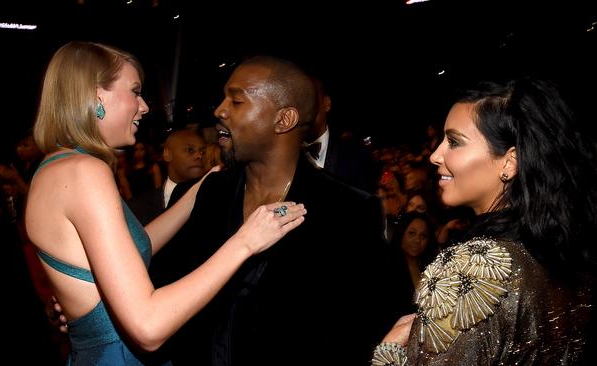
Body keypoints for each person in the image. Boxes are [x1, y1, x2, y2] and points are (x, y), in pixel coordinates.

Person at [25, 41, 306, 365]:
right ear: (97, 97)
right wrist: (245, 241)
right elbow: (148, 325)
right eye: (135, 91)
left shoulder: (55, 167)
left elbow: (134, 245)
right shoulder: (85, 172)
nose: (144, 107)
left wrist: (198, 190)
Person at [148, 55, 413, 366]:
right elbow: (165, 284)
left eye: (236, 101)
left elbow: (368, 330)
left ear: (283, 119)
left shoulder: (349, 209)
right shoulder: (214, 191)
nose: (220, 110)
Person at [373, 78, 597, 365]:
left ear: (509, 162)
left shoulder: (471, 269)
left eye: (454, 142)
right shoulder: (567, 254)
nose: (434, 155)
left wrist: (388, 352)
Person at [302, 75, 378, 193]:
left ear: (327, 103)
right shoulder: (285, 157)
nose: (304, 108)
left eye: (311, 99)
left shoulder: (356, 153)